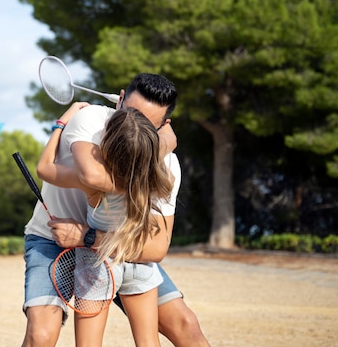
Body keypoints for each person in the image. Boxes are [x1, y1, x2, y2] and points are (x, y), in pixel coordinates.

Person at [21, 73, 210, 347]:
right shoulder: (93, 120)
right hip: (52, 238)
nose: (131, 123)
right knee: (41, 336)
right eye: (130, 112)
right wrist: (148, 168)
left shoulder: (167, 162)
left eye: (145, 123)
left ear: (162, 126)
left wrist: (59, 124)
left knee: (187, 326)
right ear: (119, 100)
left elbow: (156, 250)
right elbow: (92, 174)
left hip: (116, 251)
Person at [37, 104, 174, 346]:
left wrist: (60, 125)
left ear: (107, 146)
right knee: (149, 342)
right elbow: (167, 141)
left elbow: (44, 168)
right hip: (138, 259)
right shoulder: (160, 179)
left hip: (97, 261)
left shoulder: (96, 184)